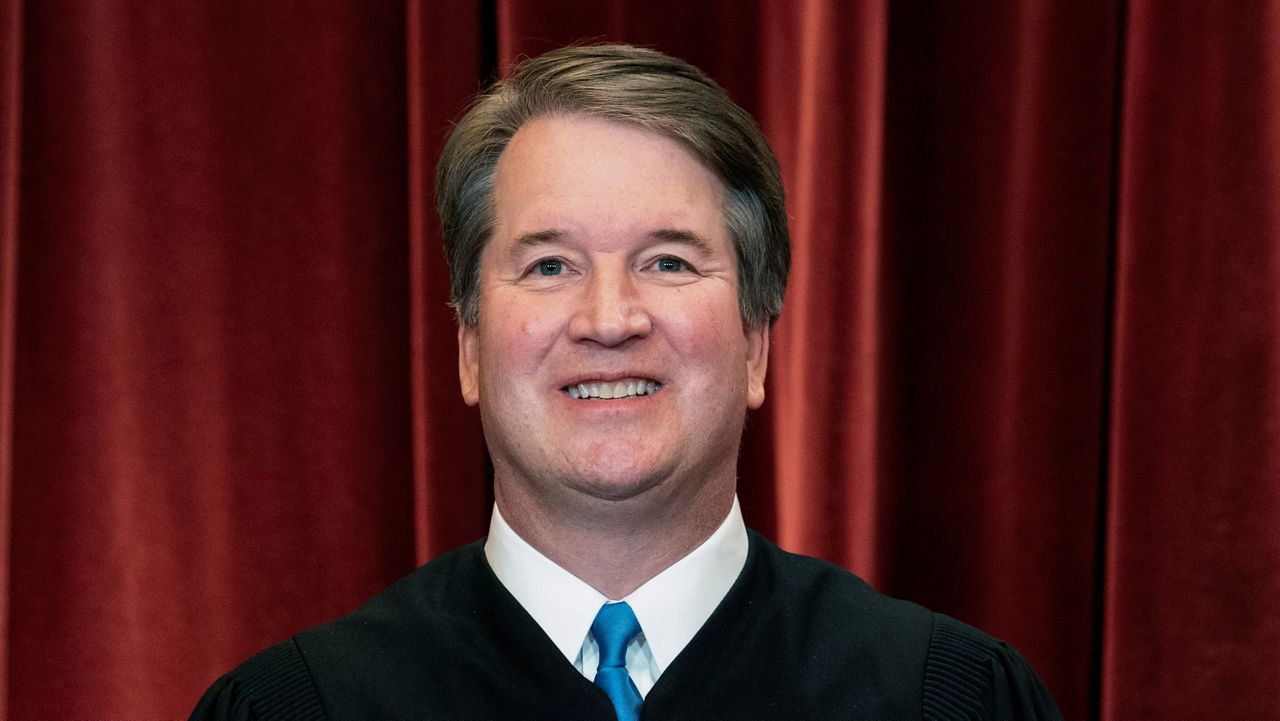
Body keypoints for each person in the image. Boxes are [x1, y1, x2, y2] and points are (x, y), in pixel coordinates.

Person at [191, 43, 1061, 720]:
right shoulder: (299, 708)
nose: (610, 318)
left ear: (757, 342)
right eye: (549, 266)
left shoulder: (948, 700)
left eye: (669, 260)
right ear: (467, 346)